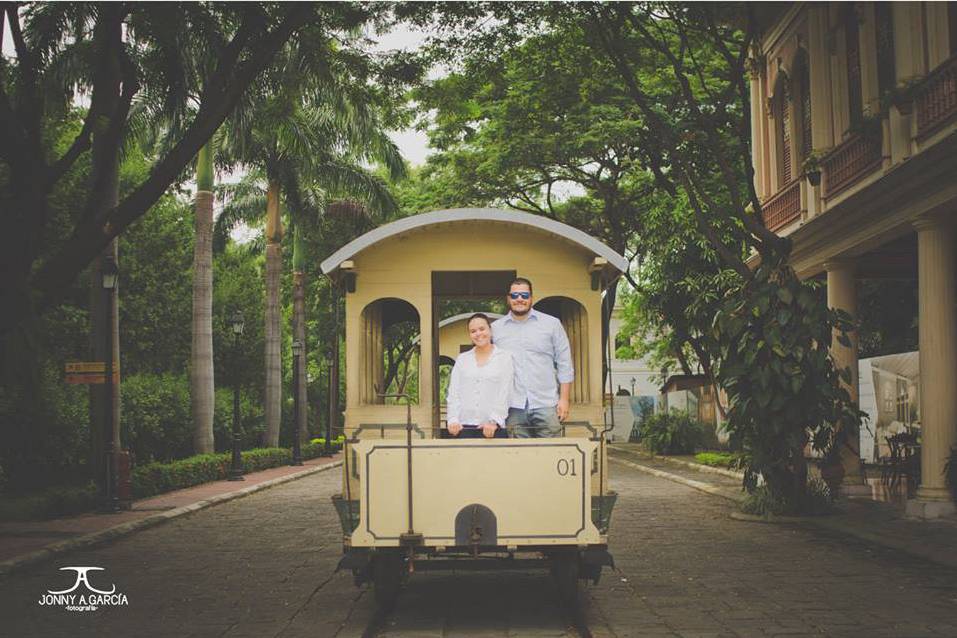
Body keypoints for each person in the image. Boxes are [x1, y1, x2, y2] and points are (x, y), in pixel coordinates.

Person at [491, 278, 574, 438]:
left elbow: (565, 364)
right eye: (515, 295)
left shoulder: (552, 324)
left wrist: (564, 399)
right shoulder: (496, 329)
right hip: (513, 406)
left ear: (531, 298)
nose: (520, 299)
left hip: (547, 404)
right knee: (520, 458)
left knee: (551, 457)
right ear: (508, 299)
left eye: (524, 295)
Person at [446, 313, 513, 439]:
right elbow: (454, 392)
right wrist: (453, 419)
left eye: (482, 329)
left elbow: (506, 392)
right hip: (463, 427)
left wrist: (494, 421)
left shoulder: (504, 357)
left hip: (493, 429)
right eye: (473, 331)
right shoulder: (462, 359)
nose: (478, 334)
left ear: (490, 330)